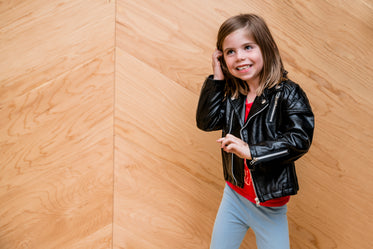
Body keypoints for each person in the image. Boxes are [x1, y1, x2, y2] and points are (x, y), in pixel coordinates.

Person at [196, 14, 314, 249]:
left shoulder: (288, 93)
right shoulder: (232, 93)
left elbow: (300, 139)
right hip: (234, 196)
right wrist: (217, 78)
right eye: (230, 52)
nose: (239, 57)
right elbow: (206, 122)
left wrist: (252, 151)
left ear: (266, 48)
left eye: (248, 47)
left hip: (269, 205)